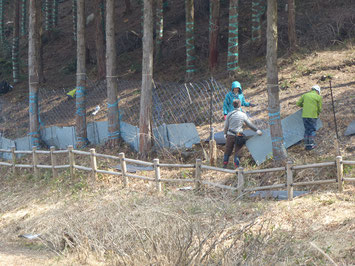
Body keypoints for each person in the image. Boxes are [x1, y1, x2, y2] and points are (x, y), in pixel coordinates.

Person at [223, 99, 262, 168]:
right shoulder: (243, 115)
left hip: (230, 134)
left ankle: (225, 164)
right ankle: (237, 166)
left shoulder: (229, 114)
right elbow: (249, 124)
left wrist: (225, 133)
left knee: (228, 149)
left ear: (233, 105)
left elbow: (226, 126)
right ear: (240, 105)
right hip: (239, 134)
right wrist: (257, 130)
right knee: (238, 151)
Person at [296, 85, 322, 150]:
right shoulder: (318, 97)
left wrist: (304, 106)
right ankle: (311, 145)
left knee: (307, 129)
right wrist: (317, 113)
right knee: (312, 129)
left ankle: (306, 145)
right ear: (317, 91)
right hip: (313, 115)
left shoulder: (305, 95)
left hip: (304, 116)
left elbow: (298, 103)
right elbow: (319, 108)